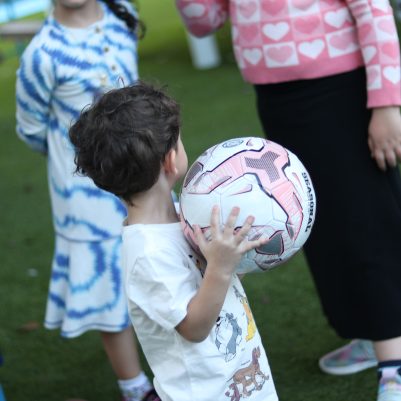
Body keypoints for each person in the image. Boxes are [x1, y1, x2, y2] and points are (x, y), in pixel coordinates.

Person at [176, 0, 401, 400]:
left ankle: (393, 357)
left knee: (364, 218)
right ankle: (371, 329)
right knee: (316, 221)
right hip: (278, 99)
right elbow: (204, 22)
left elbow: (374, 10)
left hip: (342, 89)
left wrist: (386, 103)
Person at [69, 81, 279, 401]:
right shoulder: (148, 253)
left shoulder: (184, 213)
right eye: (179, 141)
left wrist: (234, 257)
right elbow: (193, 328)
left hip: (240, 379)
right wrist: (221, 268)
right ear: (170, 160)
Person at [15, 1, 159, 400]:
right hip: (84, 198)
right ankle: (136, 389)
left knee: (157, 259)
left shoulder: (120, 15)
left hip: (142, 171)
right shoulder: (41, 54)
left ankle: (172, 357)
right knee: (106, 289)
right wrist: (84, 155)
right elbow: (30, 129)